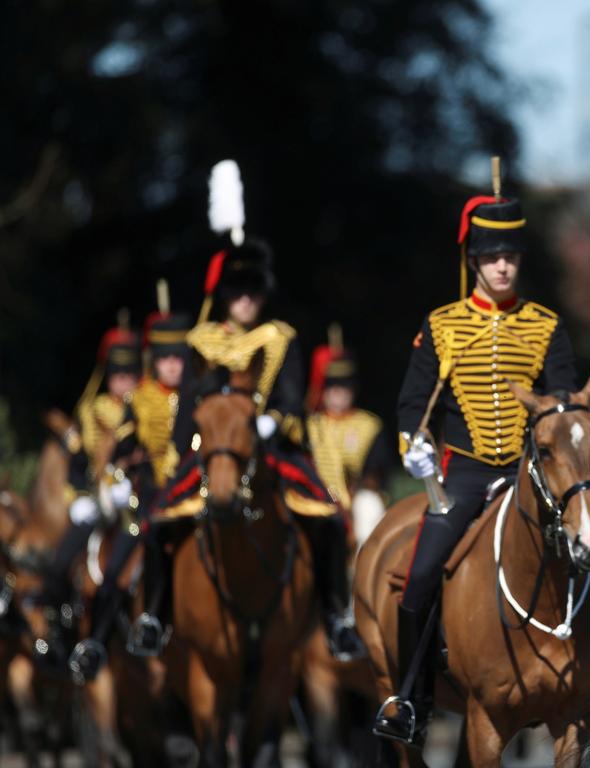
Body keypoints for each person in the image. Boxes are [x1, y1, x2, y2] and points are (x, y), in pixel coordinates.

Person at [127, 160, 359, 661]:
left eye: (254, 290)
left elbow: (293, 398)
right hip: (211, 451)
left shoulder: (282, 339)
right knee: (157, 522)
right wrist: (183, 454)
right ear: (226, 295)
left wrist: (273, 420)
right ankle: (155, 615)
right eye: (238, 290)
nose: (247, 299)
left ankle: (335, 615)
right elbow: (188, 407)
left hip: (271, 449)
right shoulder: (201, 341)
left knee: (330, 519)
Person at [373, 189, 576, 746]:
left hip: (527, 473)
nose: (502, 264)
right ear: (474, 262)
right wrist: (413, 444)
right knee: (416, 580)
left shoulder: (544, 325)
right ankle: (411, 698)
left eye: (509, 255)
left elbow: (562, 404)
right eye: (491, 256)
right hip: (463, 471)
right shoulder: (442, 326)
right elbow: (414, 403)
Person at [67, 311, 191, 682]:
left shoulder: (199, 397)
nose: (171, 366)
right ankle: (98, 641)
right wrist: (121, 476)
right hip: (150, 500)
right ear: (155, 360)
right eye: (165, 358)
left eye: (178, 358)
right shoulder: (140, 398)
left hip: (193, 498)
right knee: (114, 571)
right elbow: (121, 449)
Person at [36, 322, 140, 663]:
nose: (124, 381)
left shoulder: (145, 408)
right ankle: (60, 625)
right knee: (60, 560)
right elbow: (80, 463)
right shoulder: (91, 410)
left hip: (135, 502)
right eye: (118, 374)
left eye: (130, 374)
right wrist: (81, 494)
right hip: (97, 499)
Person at [305, 324, 391, 548]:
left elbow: (377, 471)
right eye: (333, 387)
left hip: (357, 496)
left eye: (344, 387)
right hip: (314, 494)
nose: (339, 393)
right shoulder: (310, 426)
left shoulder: (368, 425)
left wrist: (353, 494)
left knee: (369, 508)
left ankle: (365, 572)